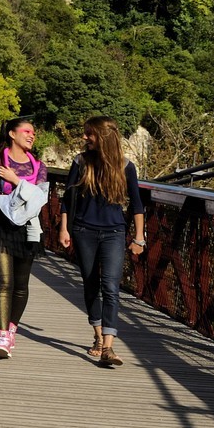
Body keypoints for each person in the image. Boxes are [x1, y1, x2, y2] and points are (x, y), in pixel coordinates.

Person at [58, 116, 145, 369]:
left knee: (110, 286)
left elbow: (137, 205)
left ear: (103, 137)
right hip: (84, 230)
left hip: (114, 233)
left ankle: (108, 346)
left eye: (89, 134)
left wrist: (139, 238)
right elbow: (67, 199)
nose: (84, 138)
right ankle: (97, 334)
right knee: (90, 283)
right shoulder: (80, 161)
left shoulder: (126, 166)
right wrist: (64, 228)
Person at [0, 117, 48, 358]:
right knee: (4, 283)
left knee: (21, 286)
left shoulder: (39, 166)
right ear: (12, 134)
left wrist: (16, 181)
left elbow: (39, 200)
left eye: (33, 133)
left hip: (28, 229)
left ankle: (13, 326)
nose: (31, 135)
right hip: (1, 229)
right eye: (27, 131)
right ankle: (3, 337)